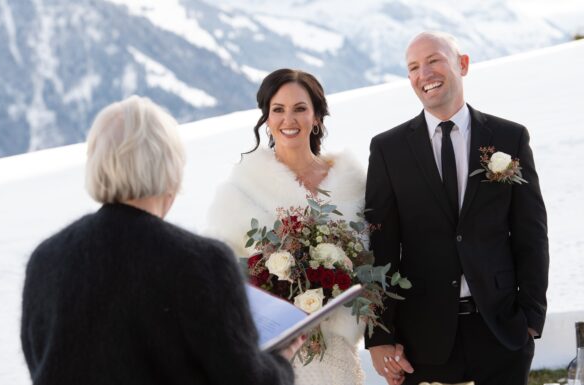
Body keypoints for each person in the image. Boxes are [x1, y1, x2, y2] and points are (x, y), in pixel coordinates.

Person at [20, 95, 302, 385]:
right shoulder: (202, 263)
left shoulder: (45, 260)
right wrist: (280, 363)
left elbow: (42, 366)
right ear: (171, 172)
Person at [364, 31, 549, 385]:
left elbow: (531, 233)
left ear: (462, 64)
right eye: (414, 67)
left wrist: (530, 320)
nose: (425, 74)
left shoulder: (510, 138)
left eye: (434, 60)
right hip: (421, 339)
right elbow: (381, 248)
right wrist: (380, 336)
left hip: (502, 332)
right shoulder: (388, 149)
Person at [206, 68, 367, 385]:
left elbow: (375, 263)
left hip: (337, 352)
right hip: (270, 355)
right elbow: (219, 281)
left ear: (318, 117)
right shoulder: (239, 193)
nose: (288, 120)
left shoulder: (355, 186)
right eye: (277, 110)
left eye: (300, 109)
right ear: (266, 118)